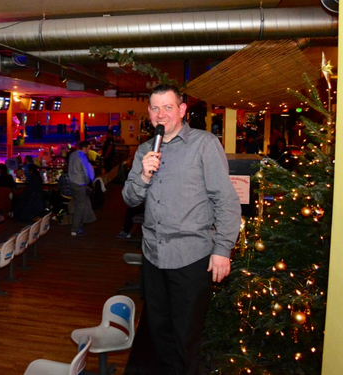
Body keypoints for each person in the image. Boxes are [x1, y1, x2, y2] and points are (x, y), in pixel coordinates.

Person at [122, 84, 241, 375]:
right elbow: (129, 197)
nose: (161, 114)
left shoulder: (204, 144)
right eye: (155, 108)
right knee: (159, 331)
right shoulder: (143, 151)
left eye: (168, 107)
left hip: (191, 256)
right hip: (153, 257)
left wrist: (223, 249)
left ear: (182, 110)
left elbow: (225, 200)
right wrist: (143, 176)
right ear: (148, 113)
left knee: (188, 335)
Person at [68, 141, 96, 236]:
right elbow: (86, 171)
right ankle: (75, 229)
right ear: (86, 148)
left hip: (72, 183)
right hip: (80, 184)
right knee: (80, 207)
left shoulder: (72, 155)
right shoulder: (82, 156)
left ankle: (77, 226)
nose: (89, 150)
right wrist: (88, 181)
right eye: (89, 148)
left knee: (76, 205)